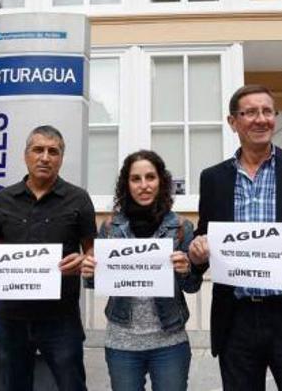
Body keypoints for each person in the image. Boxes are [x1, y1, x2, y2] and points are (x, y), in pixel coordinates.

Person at [188, 85, 282, 390]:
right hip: (237, 318)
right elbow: (205, 234)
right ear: (233, 122)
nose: (261, 119)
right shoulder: (213, 178)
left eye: (267, 111)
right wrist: (196, 249)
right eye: (250, 112)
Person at [0, 125, 96, 391]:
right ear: (26, 155)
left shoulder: (79, 199)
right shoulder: (2, 200)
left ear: (61, 158)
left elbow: (92, 253)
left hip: (61, 318)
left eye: (53, 151)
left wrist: (84, 262)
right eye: (38, 150)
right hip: (12, 318)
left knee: (72, 385)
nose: (45, 157)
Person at [81, 150, 202, 391]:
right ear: (126, 184)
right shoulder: (109, 227)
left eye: (150, 177)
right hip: (122, 342)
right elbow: (96, 283)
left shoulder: (181, 227)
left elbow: (192, 286)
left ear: (161, 181)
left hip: (170, 341)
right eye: (136, 179)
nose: (144, 185)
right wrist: (89, 271)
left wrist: (187, 269)